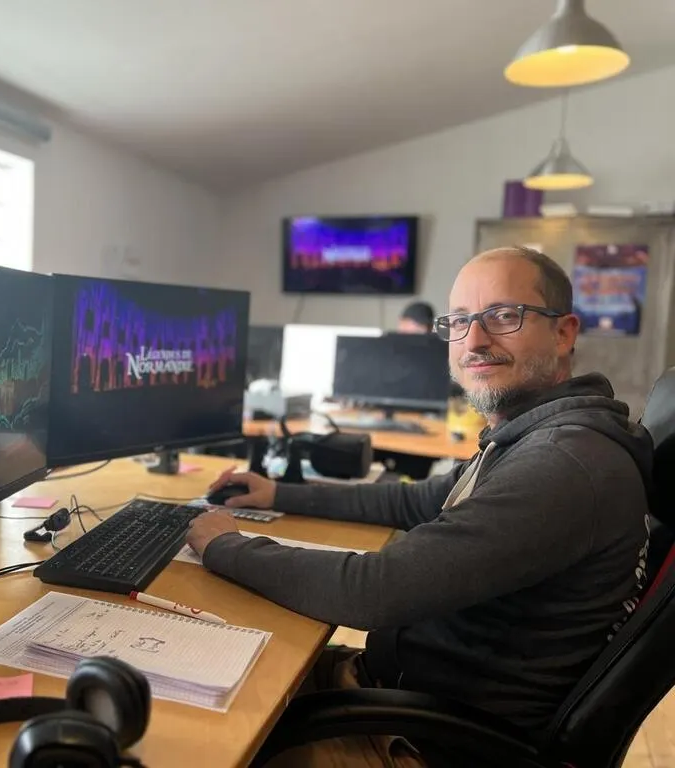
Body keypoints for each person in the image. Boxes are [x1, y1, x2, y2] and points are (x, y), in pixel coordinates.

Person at [188, 246, 652, 767]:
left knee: (191, 744)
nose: (474, 340)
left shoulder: (563, 462)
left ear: (563, 332)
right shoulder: (537, 435)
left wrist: (225, 546)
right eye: (459, 321)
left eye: (504, 316)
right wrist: (277, 494)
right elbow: (417, 499)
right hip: (397, 697)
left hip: (422, 741)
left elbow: (374, 591)